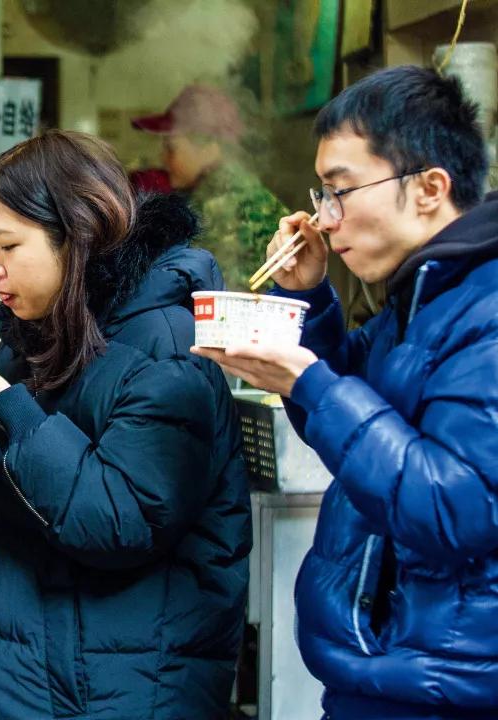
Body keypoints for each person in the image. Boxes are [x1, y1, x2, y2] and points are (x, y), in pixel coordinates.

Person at [0, 130, 251, 719]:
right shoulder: (43, 327)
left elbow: (119, 519)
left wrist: (5, 407)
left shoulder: (166, 344)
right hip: (22, 671)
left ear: (77, 237)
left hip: (101, 689)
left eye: (8, 246)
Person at [194, 65, 498, 719]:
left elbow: (455, 507)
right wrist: (307, 298)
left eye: (341, 191)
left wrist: (306, 379)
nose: (324, 218)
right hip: (388, 675)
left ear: (429, 189)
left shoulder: (488, 306)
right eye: (322, 193)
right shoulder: (422, 296)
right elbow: (355, 414)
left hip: (447, 689)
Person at [133, 84, 288, 290]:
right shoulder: (231, 190)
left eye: (171, 148)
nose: (163, 158)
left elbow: (201, 291)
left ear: (209, 147)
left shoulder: (220, 205)